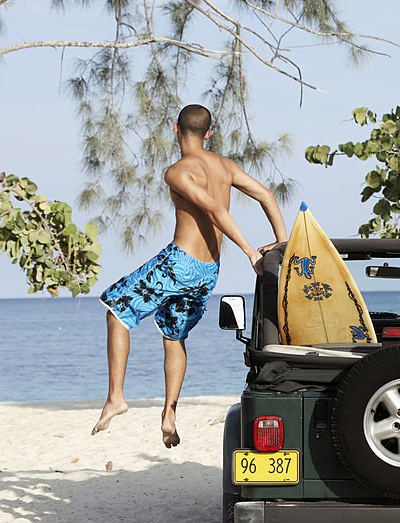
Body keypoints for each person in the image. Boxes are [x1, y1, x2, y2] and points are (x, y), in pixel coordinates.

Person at [91, 104, 287, 446]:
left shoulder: (177, 172)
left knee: (116, 309)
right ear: (208, 133)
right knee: (173, 334)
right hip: (208, 271)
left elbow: (213, 209)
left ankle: (116, 398)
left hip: (180, 263)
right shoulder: (225, 166)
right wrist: (283, 240)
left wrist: (251, 253)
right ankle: (169, 413)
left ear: (175, 128)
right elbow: (266, 195)